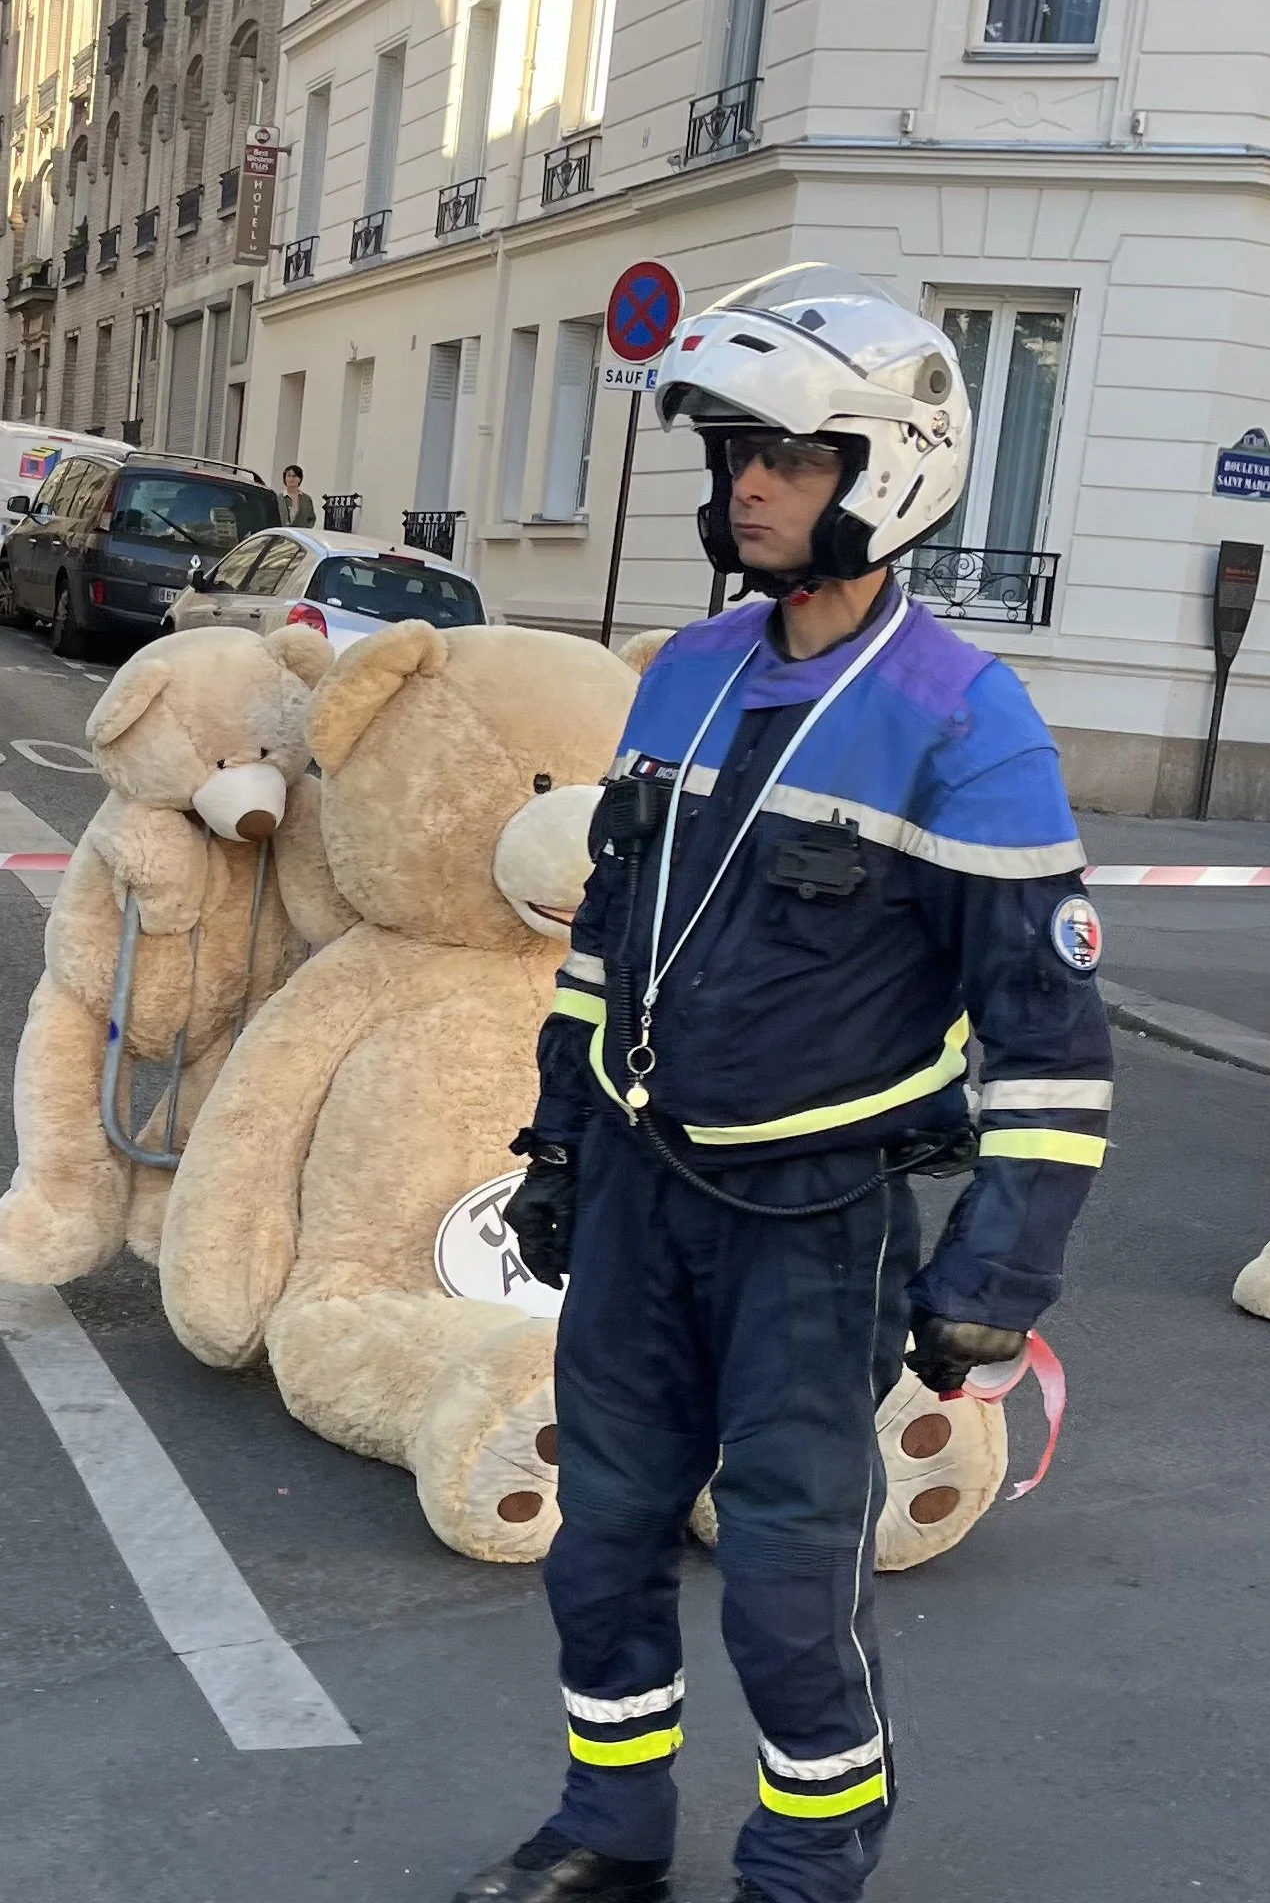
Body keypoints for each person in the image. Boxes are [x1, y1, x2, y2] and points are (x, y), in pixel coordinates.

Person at [458, 265, 1114, 1903]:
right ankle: (604, 1830)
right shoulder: (679, 669)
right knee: (599, 1541)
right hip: (631, 1193)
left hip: (814, 1226)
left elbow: (1049, 1040)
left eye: (790, 454)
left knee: (779, 1578)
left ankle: (805, 1860)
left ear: (884, 473)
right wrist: (555, 1135)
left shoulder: (966, 720)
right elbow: (609, 935)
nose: (745, 480)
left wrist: (992, 1270)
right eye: (733, 447)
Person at [279, 463, 316, 527]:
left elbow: (311, 518)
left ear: (300, 479)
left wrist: (305, 529)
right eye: (289, 476)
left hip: (299, 534)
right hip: (280, 533)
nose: (291, 479)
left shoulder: (306, 499)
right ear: (284, 478)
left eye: (294, 476)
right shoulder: (278, 498)